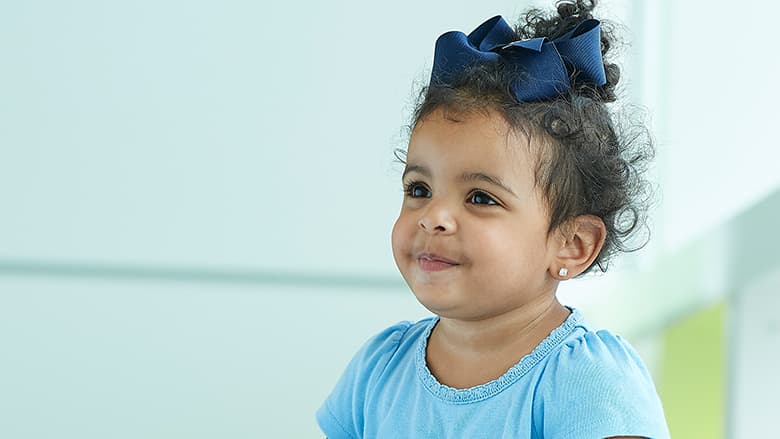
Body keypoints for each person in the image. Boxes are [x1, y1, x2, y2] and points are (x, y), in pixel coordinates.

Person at [316, 1, 670, 437]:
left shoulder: (587, 379)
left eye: (481, 197)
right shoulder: (379, 370)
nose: (433, 217)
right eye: (419, 190)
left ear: (572, 244)